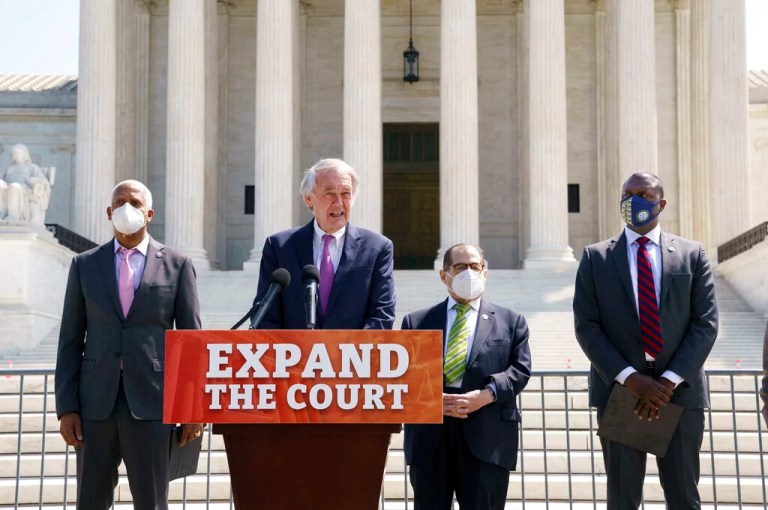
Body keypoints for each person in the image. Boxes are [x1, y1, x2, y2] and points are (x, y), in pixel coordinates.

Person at [573, 172, 718, 509]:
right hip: (622, 394)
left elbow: (706, 324)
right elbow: (587, 326)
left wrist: (667, 382)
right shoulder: (596, 258)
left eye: (642, 193)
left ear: (661, 203)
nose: (632, 200)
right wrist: (630, 378)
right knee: (622, 499)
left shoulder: (691, 254)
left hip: (679, 395)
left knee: (683, 497)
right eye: (627, 194)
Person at [55, 180, 203, 510]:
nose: (127, 208)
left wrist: (193, 407)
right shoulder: (84, 265)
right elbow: (69, 340)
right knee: (90, 500)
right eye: (119, 202)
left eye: (134, 203)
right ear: (109, 212)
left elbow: (190, 339)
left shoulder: (177, 265)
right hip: (95, 404)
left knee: (151, 501)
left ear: (149, 213)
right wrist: (66, 407)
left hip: (152, 403)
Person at [402, 243, 532, 510]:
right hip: (431, 438)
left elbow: (520, 370)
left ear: (485, 272)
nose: (469, 273)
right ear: (443, 275)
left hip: (487, 433)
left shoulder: (510, 321)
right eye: (460, 267)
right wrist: (431, 400)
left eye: (475, 267)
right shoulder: (417, 321)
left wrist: (485, 396)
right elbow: (405, 375)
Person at [252, 157, 395, 330]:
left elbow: (381, 316)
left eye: (346, 194)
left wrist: (348, 354)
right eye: (329, 194)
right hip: (294, 356)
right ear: (308, 200)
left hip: (354, 355)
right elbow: (266, 317)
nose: (339, 203)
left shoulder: (377, 248)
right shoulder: (279, 247)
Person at [0, 143, 53, 224]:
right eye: (14, 153)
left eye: (19, 153)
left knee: (14, 187)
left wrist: (35, 180)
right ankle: (1, 214)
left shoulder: (32, 167)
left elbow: (44, 181)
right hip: (7, 187)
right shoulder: (8, 168)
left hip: (25, 190)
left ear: (25, 154)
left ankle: (13, 216)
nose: (16, 155)